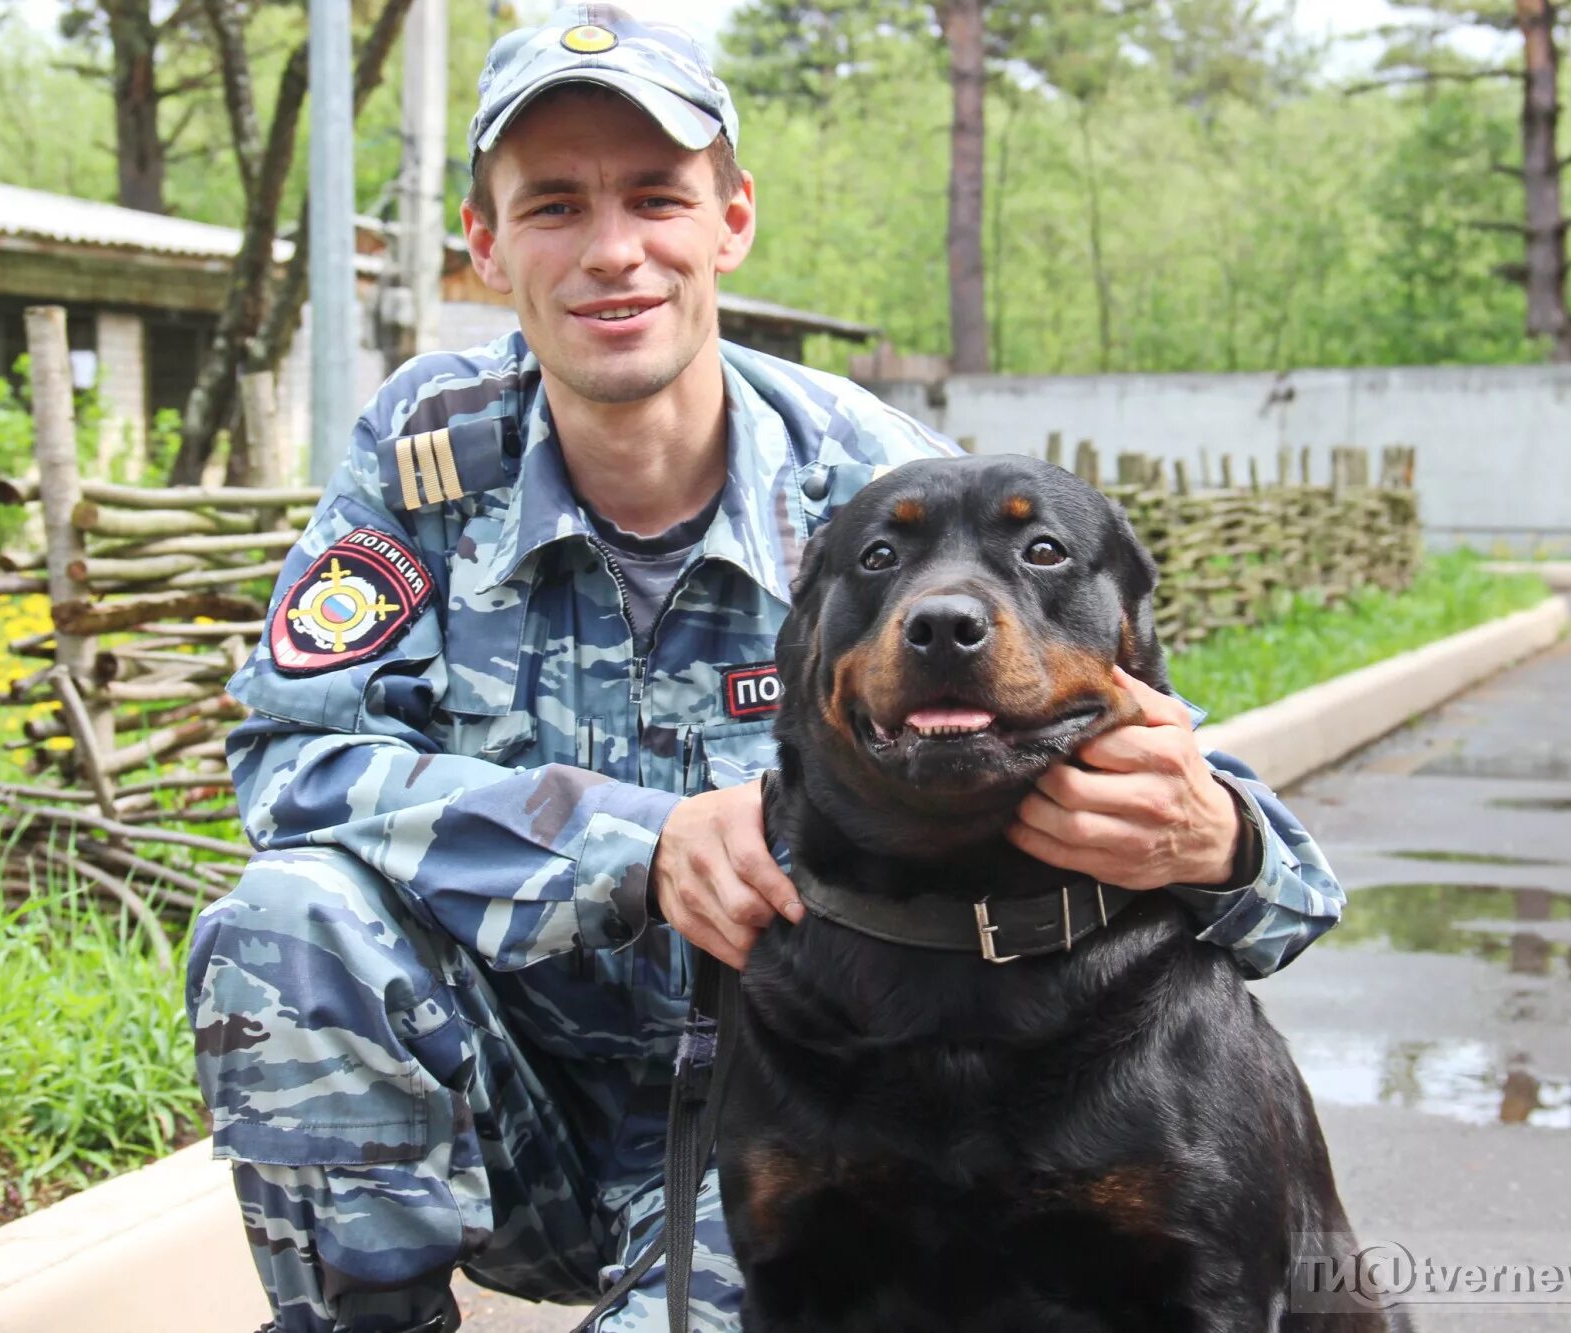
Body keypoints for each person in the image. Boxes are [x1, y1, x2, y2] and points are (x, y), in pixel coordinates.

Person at [187, 6, 1345, 1330]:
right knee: (285, 917)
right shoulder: (428, 461)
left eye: (656, 198)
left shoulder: (880, 496)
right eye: (555, 205)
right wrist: (635, 842)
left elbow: (1213, 817)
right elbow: (292, 757)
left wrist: (1226, 838)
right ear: (485, 242)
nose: (612, 250)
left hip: (793, 1105)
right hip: (507, 1095)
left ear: (730, 220)